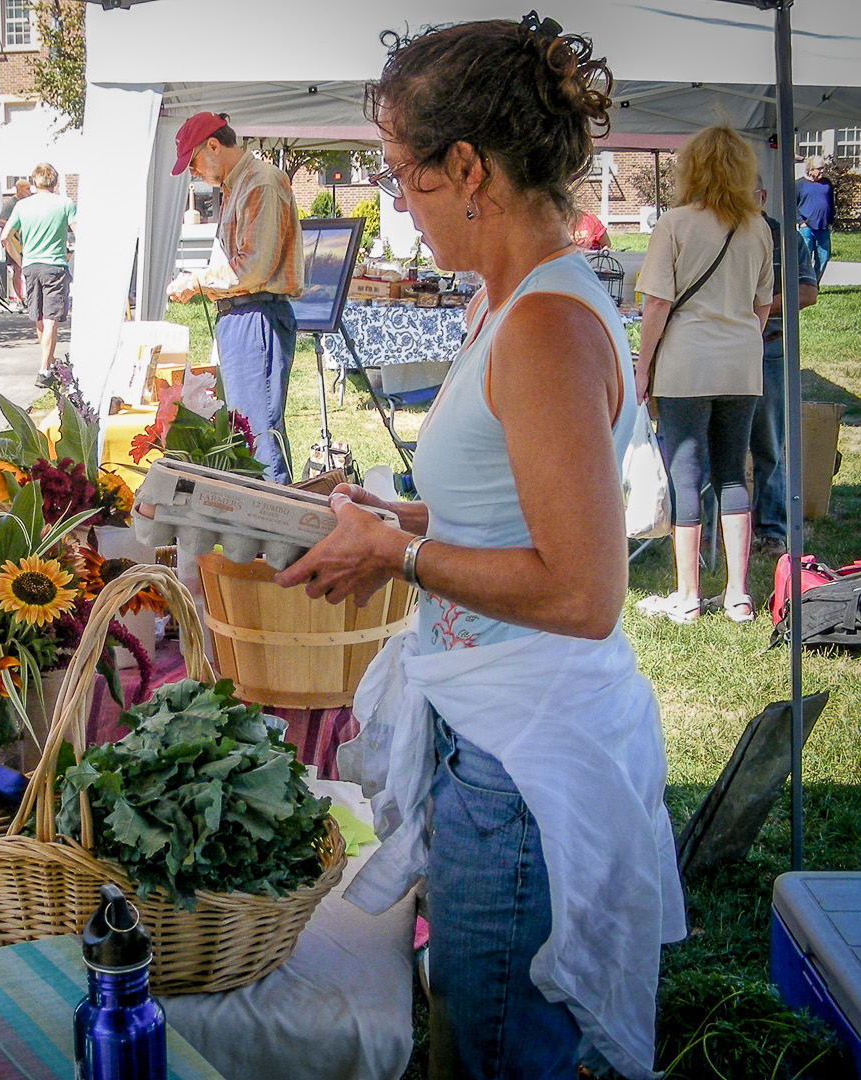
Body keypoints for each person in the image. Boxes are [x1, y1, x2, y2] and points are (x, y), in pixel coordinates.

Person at [272, 16, 683, 1077]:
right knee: (474, 1015)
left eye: (402, 177)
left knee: (496, 1044)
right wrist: (394, 518)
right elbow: (508, 512)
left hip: (524, 754)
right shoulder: (507, 307)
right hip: (491, 727)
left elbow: (583, 590)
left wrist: (394, 558)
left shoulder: (546, 325)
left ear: (467, 168)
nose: (399, 207)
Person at [634, 126, 773, 624]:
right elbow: (762, 307)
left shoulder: (674, 224)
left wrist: (643, 366)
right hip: (741, 364)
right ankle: (738, 594)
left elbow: (656, 305)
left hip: (686, 364)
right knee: (734, 473)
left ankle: (688, 594)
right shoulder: (758, 227)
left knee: (686, 474)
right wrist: (739, 342)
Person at [166, 112, 303, 484]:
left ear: (214, 145)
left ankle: (280, 530)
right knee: (250, 431)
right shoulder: (237, 186)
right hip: (243, 316)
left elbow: (253, 268)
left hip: (255, 315)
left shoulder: (260, 183)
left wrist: (196, 282)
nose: (193, 172)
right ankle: (270, 527)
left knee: (259, 434)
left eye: (193, 162)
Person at [750, 177, 819, 558]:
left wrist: (755, 308)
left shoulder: (784, 236)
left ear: (762, 196)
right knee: (710, 449)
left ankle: (773, 533)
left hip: (768, 349)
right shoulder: (711, 230)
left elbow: (806, 292)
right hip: (721, 351)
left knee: (769, 446)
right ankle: (700, 531)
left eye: (751, 194)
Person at [4, 163, 75, 387]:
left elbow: (5, 236)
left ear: (34, 183)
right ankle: (44, 370)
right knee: (51, 317)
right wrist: (70, 255)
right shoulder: (65, 204)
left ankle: (49, 363)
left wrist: (20, 259)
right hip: (54, 265)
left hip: (31, 266)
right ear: (55, 182)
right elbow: (80, 233)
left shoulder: (22, 206)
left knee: (39, 316)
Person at [796, 154, 833, 284]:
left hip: (823, 228)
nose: (822, 171)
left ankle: (814, 284)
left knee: (823, 258)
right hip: (807, 228)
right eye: (819, 168)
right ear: (810, 169)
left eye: (823, 168)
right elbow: (792, 205)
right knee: (804, 259)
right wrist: (801, 222)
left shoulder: (827, 183)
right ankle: (802, 285)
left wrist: (830, 222)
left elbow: (831, 203)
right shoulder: (800, 184)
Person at [0, 178, 31, 304]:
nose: (30, 191)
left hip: (25, 240)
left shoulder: (27, 202)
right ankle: (18, 297)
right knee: (18, 268)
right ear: (19, 189)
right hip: (14, 241)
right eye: (27, 189)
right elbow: (0, 221)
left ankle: (27, 295)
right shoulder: (11, 204)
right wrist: (15, 227)